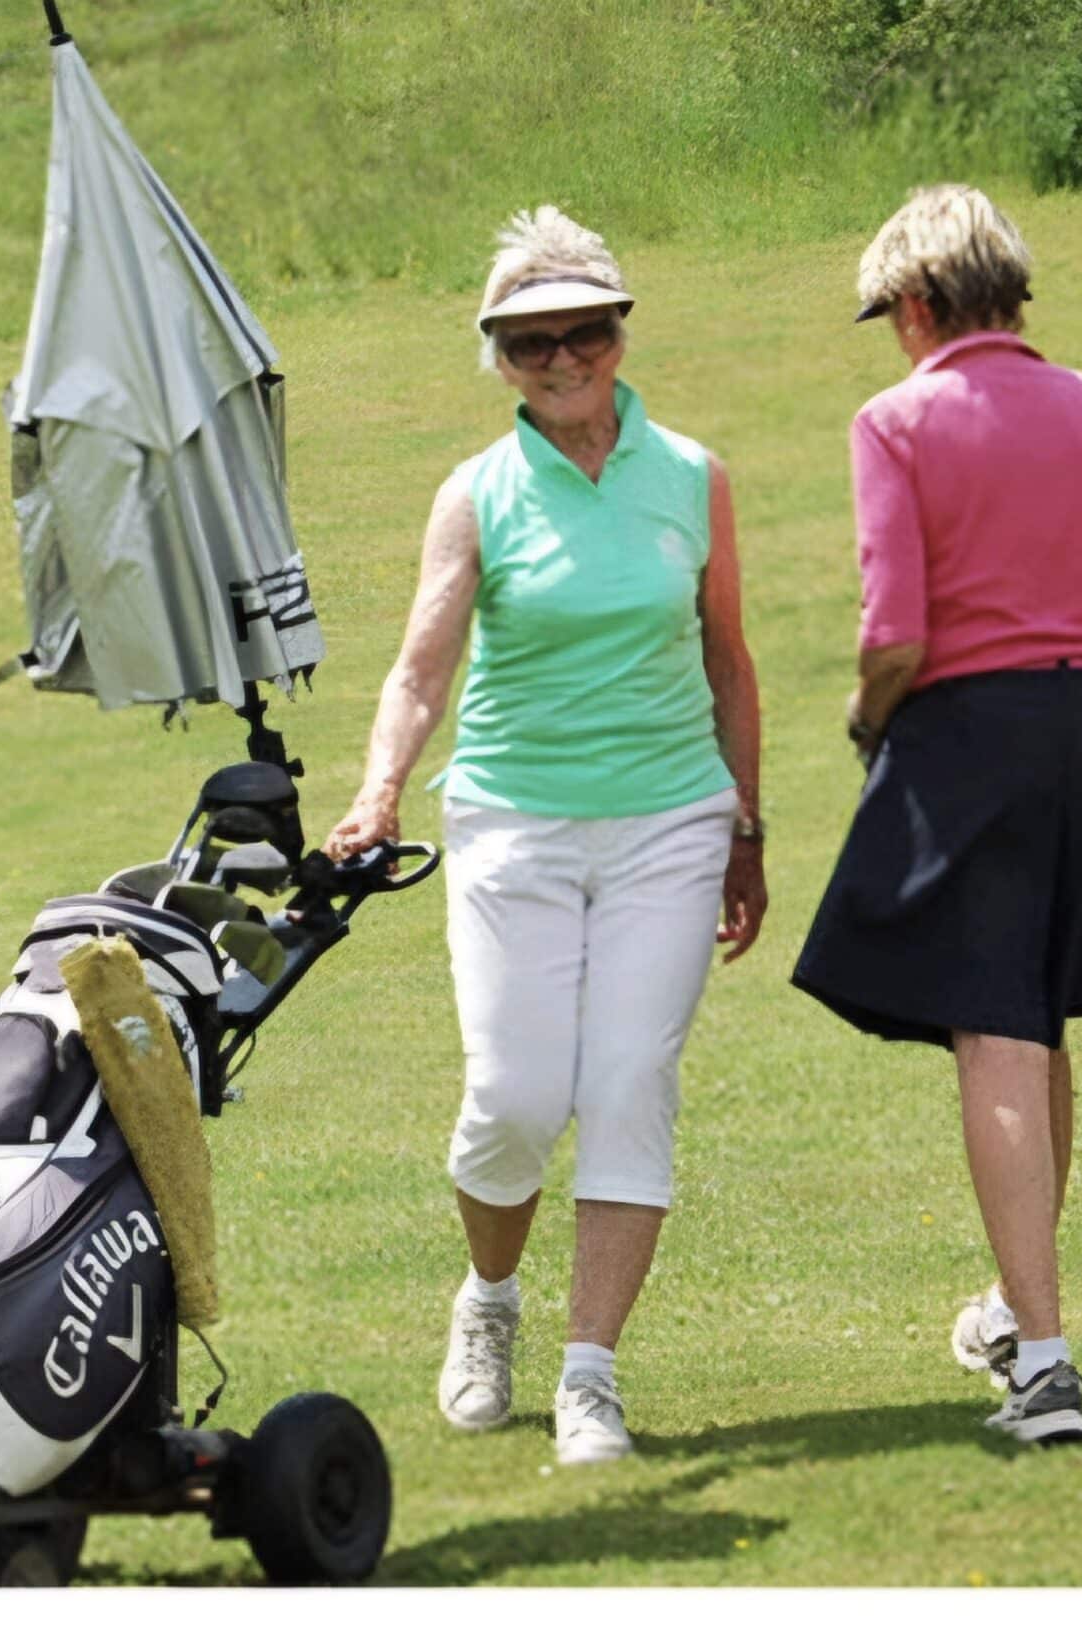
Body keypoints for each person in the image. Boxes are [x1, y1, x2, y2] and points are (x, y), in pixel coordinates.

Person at [325, 206, 766, 1466]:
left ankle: (589, 1375)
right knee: (512, 1099)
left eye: (584, 333)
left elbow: (730, 661)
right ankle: (490, 1300)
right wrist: (379, 791)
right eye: (531, 345)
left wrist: (746, 825)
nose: (562, 359)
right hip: (512, 819)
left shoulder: (691, 474)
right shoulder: (475, 494)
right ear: (500, 357)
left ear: (619, 336)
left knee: (627, 1085)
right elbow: (421, 668)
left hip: (670, 821)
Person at [791, 185, 1082, 1446]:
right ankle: (1023, 1320)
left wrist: (867, 721)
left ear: (914, 306)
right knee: (1038, 1020)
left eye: (889, 319)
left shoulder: (896, 419)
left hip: (982, 736)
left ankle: (1045, 1367)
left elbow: (895, 631)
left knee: (994, 1037)